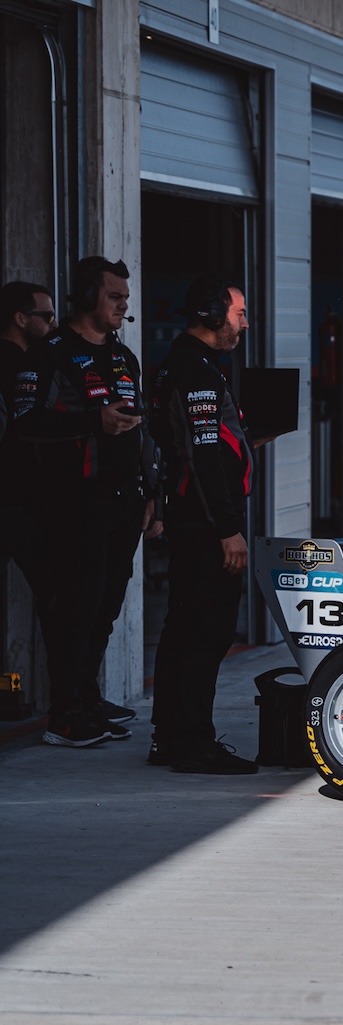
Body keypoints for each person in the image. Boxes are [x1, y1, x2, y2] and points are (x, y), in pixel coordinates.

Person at [11, 256, 157, 747]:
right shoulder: (49, 354)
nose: (123, 305)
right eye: (114, 296)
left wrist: (150, 491)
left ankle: (86, 699)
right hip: (71, 504)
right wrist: (92, 421)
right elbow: (24, 423)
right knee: (76, 609)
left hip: (124, 502)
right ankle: (65, 715)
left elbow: (141, 432)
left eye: (125, 298)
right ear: (88, 296)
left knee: (105, 608)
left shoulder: (123, 356)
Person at [146, 276, 257, 774]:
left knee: (182, 627)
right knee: (207, 633)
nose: (245, 323)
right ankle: (193, 743)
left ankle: (170, 737)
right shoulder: (197, 371)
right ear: (212, 314)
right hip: (207, 525)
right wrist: (228, 529)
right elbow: (204, 455)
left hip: (191, 517)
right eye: (239, 313)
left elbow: (189, 444)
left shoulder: (185, 364)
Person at [0, 281, 56, 595]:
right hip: (19, 496)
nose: (54, 324)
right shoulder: (23, 368)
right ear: (20, 318)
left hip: (16, 495)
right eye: (47, 317)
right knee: (56, 591)